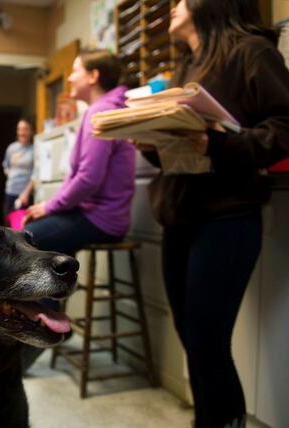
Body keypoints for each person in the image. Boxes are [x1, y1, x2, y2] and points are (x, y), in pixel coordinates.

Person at [137, 1, 289, 427]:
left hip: (227, 215)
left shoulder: (251, 51)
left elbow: (285, 124)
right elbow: (182, 144)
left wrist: (219, 145)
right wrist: (146, 136)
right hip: (179, 214)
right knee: (195, 340)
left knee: (208, 342)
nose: (172, 6)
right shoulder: (188, 64)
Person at [23, 49, 136, 255]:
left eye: (75, 71)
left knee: (23, 241)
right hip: (97, 215)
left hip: (102, 219)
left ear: (93, 76)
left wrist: (49, 207)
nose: (69, 77)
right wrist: (50, 206)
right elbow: (77, 176)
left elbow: (88, 179)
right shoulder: (103, 109)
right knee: (35, 232)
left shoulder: (101, 112)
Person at [2, 118, 34, 220]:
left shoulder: (34, 149)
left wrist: (26, 194)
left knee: (23, 229)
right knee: (9, 227)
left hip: (25, 195)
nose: (22, 132)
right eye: (19, 129)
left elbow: (36, 174)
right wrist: (11, 175)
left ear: (30, 131)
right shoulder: (11, 148)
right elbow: (5, 165)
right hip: (10, 192)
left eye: (25, 129)